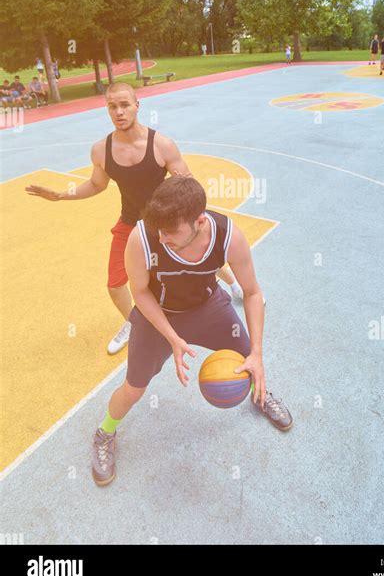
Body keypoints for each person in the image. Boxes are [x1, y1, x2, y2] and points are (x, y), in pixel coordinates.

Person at [91, 176, 293, 486]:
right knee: (133, 388)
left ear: (199, 221)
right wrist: (171, 337)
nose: (164, 236)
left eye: (171, 231)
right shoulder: (142, 238)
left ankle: (262, 394)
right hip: (157, 316)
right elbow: (141, 293)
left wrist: (258, 354)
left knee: (248, 360)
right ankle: (104, 433)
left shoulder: (228, 236)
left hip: (208, 307)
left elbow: (252, 293)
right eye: (160, 229)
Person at [25, 82, 244, 355]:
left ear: (137, 106)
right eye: (112, 106)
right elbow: (96, 185)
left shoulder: (162, 145)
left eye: (125, 104)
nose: (119, 111)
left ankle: (234, 284)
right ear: (107, 109)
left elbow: (188, 186)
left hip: (167, 222)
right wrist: (61, 195)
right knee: (115, 283)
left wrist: (195, 223)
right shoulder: (101, 150)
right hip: (131, 224)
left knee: (198, 259)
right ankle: (135, 322)